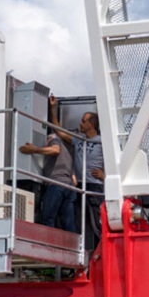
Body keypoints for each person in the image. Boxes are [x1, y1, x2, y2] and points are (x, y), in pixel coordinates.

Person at [49, 95, 104, 250]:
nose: (80, 123)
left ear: (91, 124)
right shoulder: (79, 139)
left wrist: (105, 175)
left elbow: (117, 162)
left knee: (98, 222)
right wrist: (53, 109)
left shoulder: (102, 141)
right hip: (79, 185)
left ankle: (102, 251)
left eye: (83, 121)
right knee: (78, 220)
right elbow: (60, 132)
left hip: (95, 187)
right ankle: (78, 250)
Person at [19, 131, 76, 232]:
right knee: (68, 221)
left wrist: (34, 150)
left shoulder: (54, 140)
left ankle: (49, 240)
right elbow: (74, 180)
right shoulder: (67, 155)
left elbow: (55, 150)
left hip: (56, 184)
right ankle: (71, 241)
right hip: (69, 187)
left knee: (48, 217)